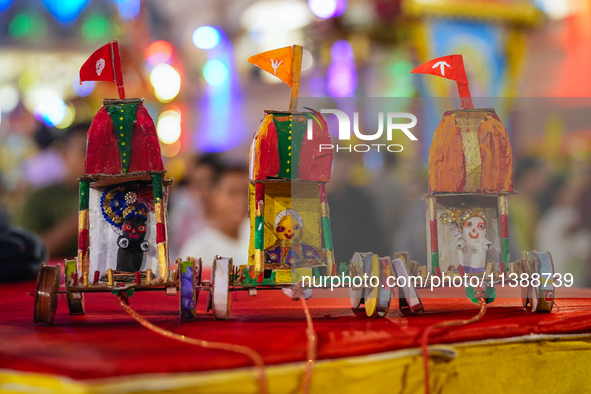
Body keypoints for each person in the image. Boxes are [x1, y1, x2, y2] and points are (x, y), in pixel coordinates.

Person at [17, 124, 88, 259]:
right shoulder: (39, 199)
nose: (96, 159)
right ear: (64, 154)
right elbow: (26, 255)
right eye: (85, 151)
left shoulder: (118, 195)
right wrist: (84, 215)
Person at [179, 163, 250, 269]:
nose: (242, 201)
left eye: (246, 193)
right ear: (213, 195)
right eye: (233, 193)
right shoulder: (199, 249)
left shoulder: (256, 238)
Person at [169, 154, 223, 258]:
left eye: (208, 184)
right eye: (197, 184)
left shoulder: (227, 218)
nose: (201, 192)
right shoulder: (184, 214)